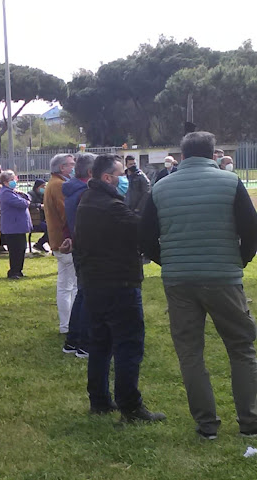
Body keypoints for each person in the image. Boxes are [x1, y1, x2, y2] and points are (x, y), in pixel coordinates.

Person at [140, 131, 257, 439]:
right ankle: (250, 421)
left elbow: (145, 234)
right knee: (241, 348)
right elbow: (250, 226)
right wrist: (241, 260)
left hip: (179, 280)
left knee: (190, 352)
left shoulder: (161, 187)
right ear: (213, 154)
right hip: (223, 277)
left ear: (182, 155)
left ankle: (207, 424)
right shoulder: (230, 183)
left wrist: (169, 261)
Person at [74, 153, 165, 423]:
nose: (125, 180)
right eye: (120, 175)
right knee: (128, 345)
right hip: (119, 283)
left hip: (94, 283)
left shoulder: (88, 200)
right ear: (107, 178)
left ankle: (99, 400)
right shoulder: (111, 206)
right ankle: (131, 407)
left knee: (100, 344)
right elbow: (140, 230)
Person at [61, 152, 95, 358]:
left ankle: (73, 340)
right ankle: (84, 343)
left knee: (82, 294)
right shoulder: (86, 192)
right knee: (88, 296)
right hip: (87, 247)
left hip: (77, 244)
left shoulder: (72, 189)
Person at [44, 153, 77, 334]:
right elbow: (67, 213)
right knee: (71, 286)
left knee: (66, 285)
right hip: (65, 242)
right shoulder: (59, 185)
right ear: (62, 167)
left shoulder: (53, 183)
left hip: (59, 240)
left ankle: (67, 325)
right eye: (71, 164)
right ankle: (69, 324)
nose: (74, 167)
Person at [0, 170, 32, 279]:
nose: (14, 181)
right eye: (11, 180)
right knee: (15, 250)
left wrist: (24, 197)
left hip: (18, 227)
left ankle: (19, 270)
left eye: (14, 179)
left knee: (21, 248)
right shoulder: (6, 193)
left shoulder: (13, 192)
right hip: (12, 227)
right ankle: (13, 271)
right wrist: (26, 201)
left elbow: (28, 197)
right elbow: (22, 203)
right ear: (5, 182)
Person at [27, 179, 49, 252]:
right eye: (43, 186)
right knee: (49, 228)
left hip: (42, 219)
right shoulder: (30, 194)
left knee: (53, 227)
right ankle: (39, 244)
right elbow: (29, 205)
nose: (44, 188)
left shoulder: (43, 195)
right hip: (34, 221)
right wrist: (39, 206)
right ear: (37, 187)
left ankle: (40, 244)